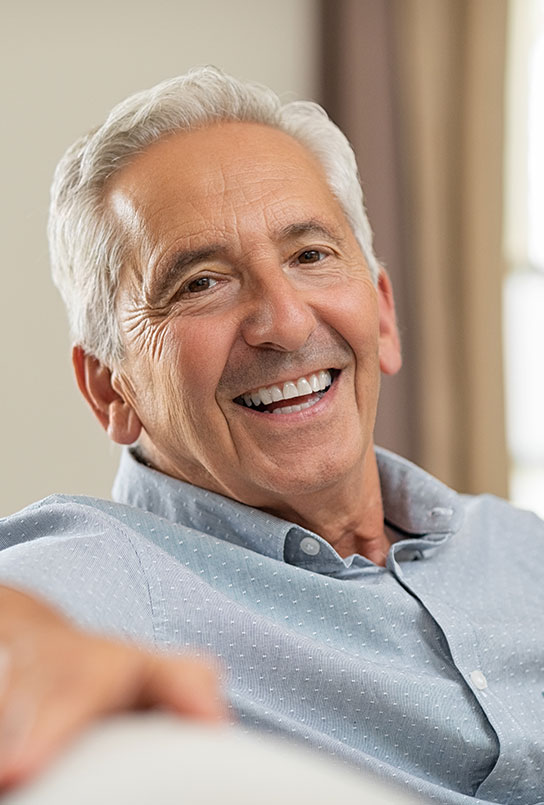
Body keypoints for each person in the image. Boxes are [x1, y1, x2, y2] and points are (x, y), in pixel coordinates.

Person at [0, 67, 542, 804]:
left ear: (381, 314)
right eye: (200, 282)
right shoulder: (116, 569)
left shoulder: (519, 546)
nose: (284, 322)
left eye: (310, 255)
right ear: (110, 387)